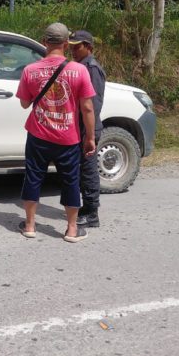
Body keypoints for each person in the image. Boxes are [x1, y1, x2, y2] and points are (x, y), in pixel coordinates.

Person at [15, 22, 96, 243]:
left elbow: (24, 104)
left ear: (44, 42)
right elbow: (87, 107)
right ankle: (71, 229)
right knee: (71, 180)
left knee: (33, 177)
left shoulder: (30, 70)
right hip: (68, 137)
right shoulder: (79, 70)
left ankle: (30, 225)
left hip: (38, 135)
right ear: (66, 44)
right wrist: (90, 138)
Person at [68, 30, 106, 228]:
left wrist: (87, 133)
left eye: (78, 46)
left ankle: (92, 212)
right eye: (72, 46)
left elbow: (93, 104)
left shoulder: (91, 69)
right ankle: (86, 208)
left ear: (89, 47)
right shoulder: (79, 67)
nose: (73, 50)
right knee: (81, 169)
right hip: (79, 126)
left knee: (88, 170)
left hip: (87, 128)